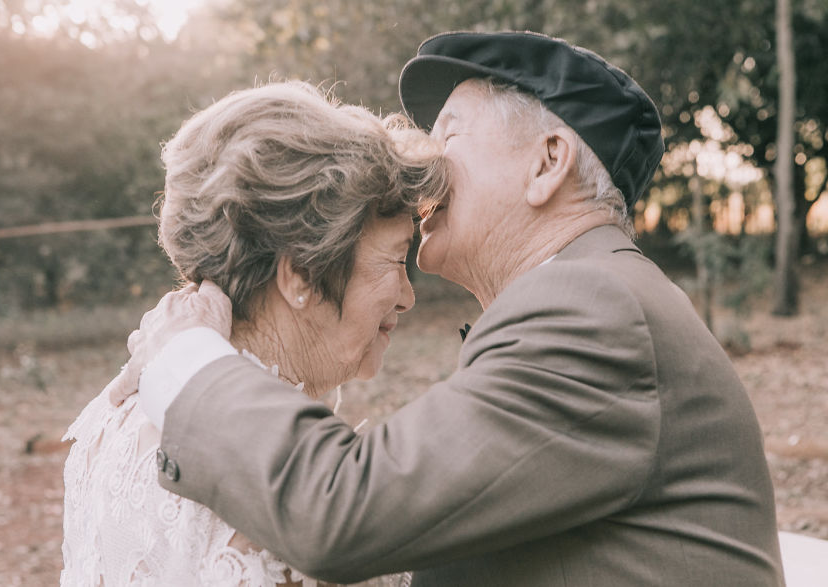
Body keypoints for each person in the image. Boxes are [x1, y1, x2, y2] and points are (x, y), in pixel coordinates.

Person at [120, 32, 785, 585]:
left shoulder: (592, 306)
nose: (428, 161)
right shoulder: (593, 296)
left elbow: (345, 509)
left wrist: (187, 361)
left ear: (548, 162)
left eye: (451, 133)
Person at [60, 80, 449, 586]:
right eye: (396, 260)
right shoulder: (281, 493)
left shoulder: (108, 420)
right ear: (301, 274)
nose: (406, 295)